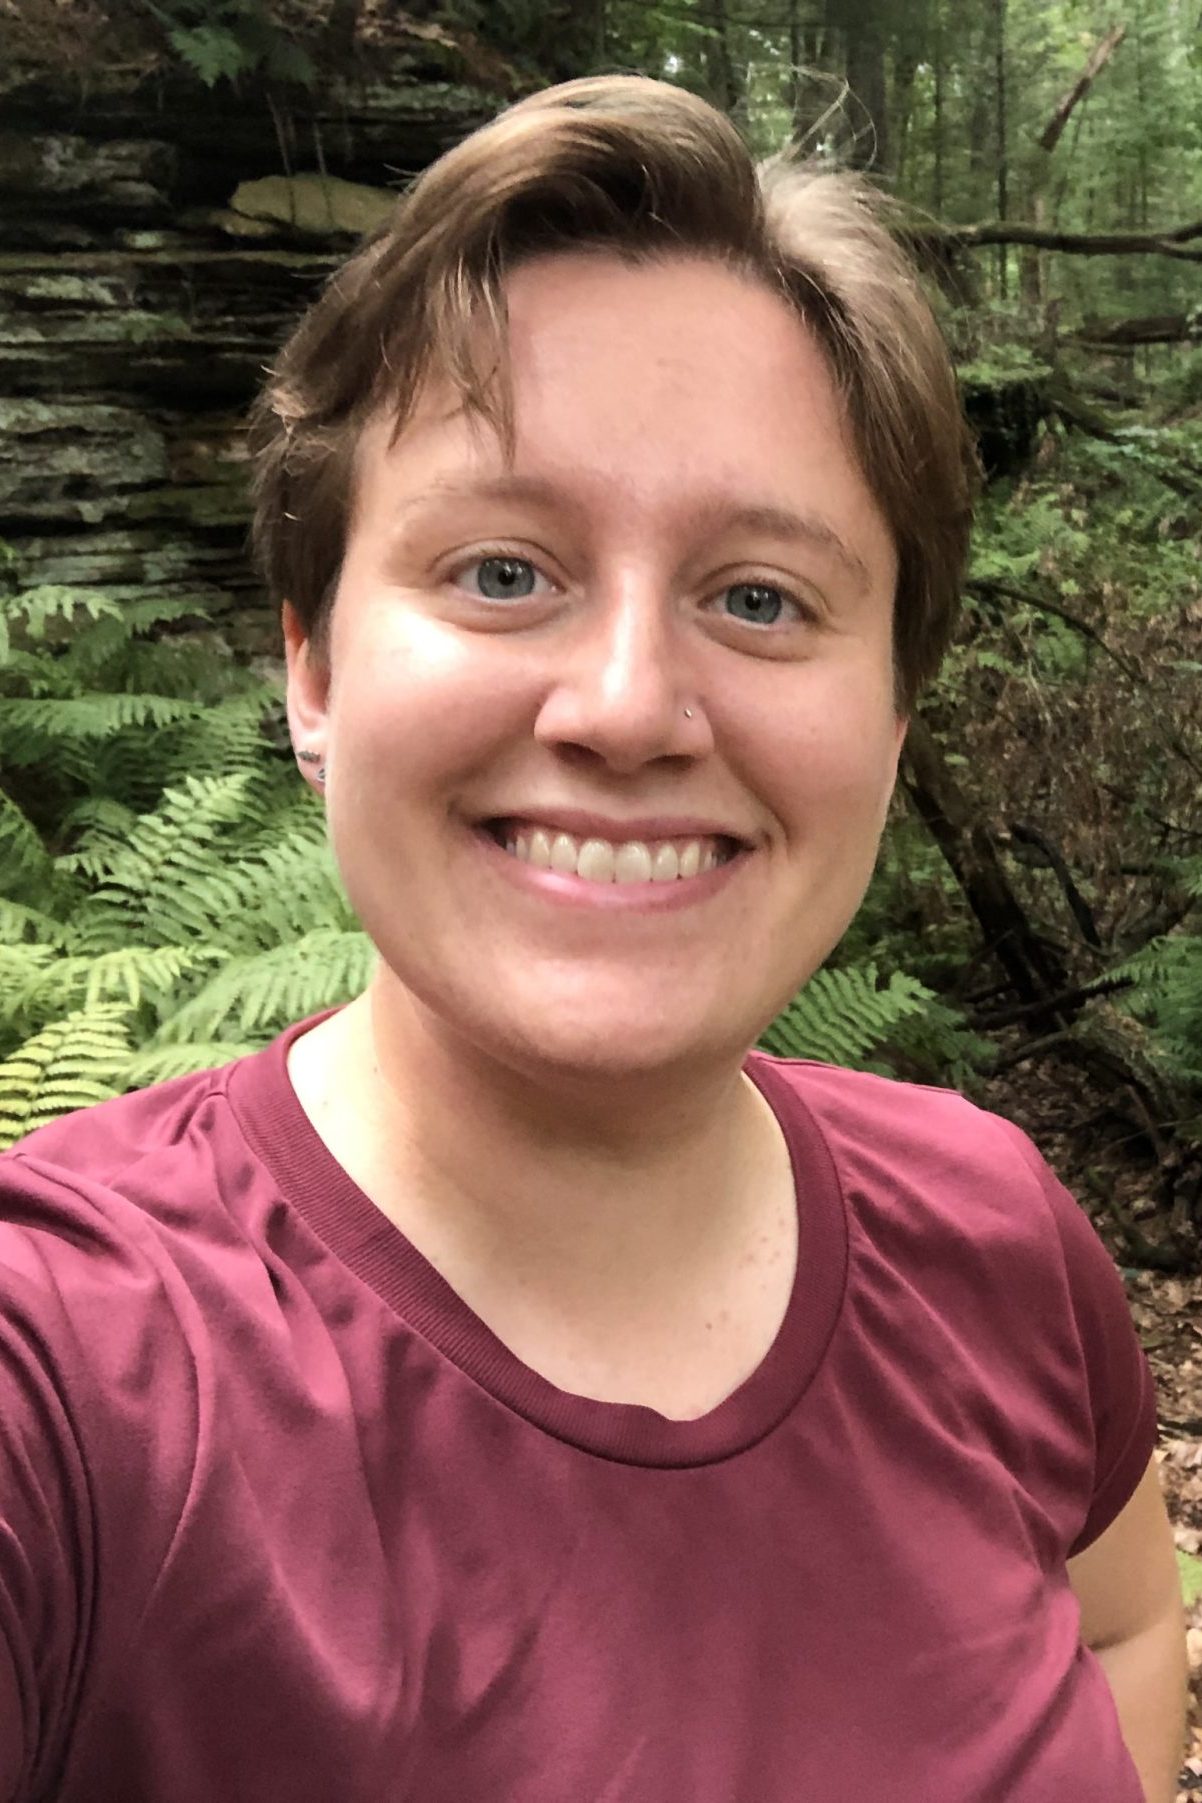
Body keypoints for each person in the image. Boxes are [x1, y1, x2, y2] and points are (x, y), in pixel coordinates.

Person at [0, 75, 1187, 1803]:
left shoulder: (993, 1237)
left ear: (894, 715)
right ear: (312, 667)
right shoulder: (71, 1371)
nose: (629, 707)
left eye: (759, 598)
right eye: (500, 570)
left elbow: (1122, 1635)